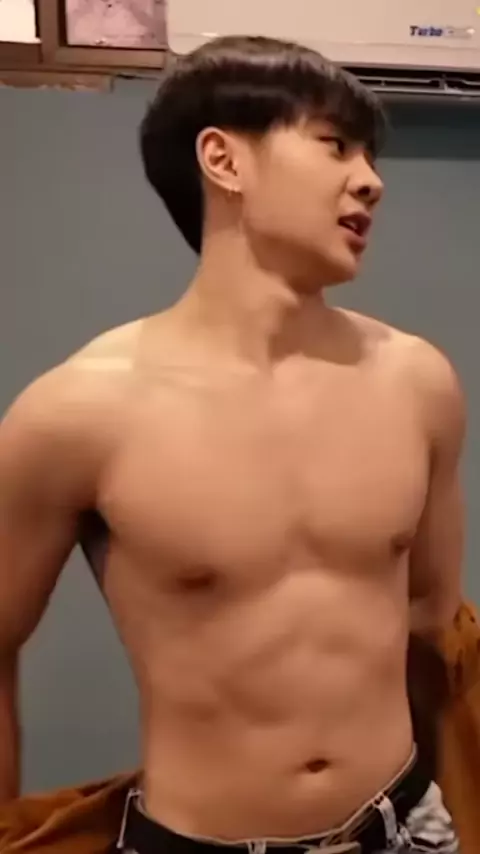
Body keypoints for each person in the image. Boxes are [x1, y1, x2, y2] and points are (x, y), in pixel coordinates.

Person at [0, 34, 466, 854]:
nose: (371, 179)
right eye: (335, 144)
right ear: (223, 160)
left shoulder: (418, 382)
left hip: (404, 828)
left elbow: (437, 624)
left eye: (370, 155)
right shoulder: (78, 412)